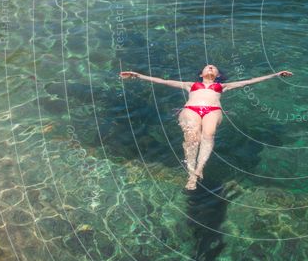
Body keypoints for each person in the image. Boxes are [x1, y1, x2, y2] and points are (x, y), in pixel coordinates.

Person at [119, 64, 293, 190]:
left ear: (217, 75)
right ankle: (191, 173)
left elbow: (250, 81)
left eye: (214, 68)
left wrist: (276, 74)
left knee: (208, 136)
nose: (210, 68)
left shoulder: (222, 86)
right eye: (207, 67)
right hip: (191, 110)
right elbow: (163, 81)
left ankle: (199, 169)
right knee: (191, 137)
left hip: (213, 110)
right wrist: (137, 75)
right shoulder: (190, 85)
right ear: (201, 74)